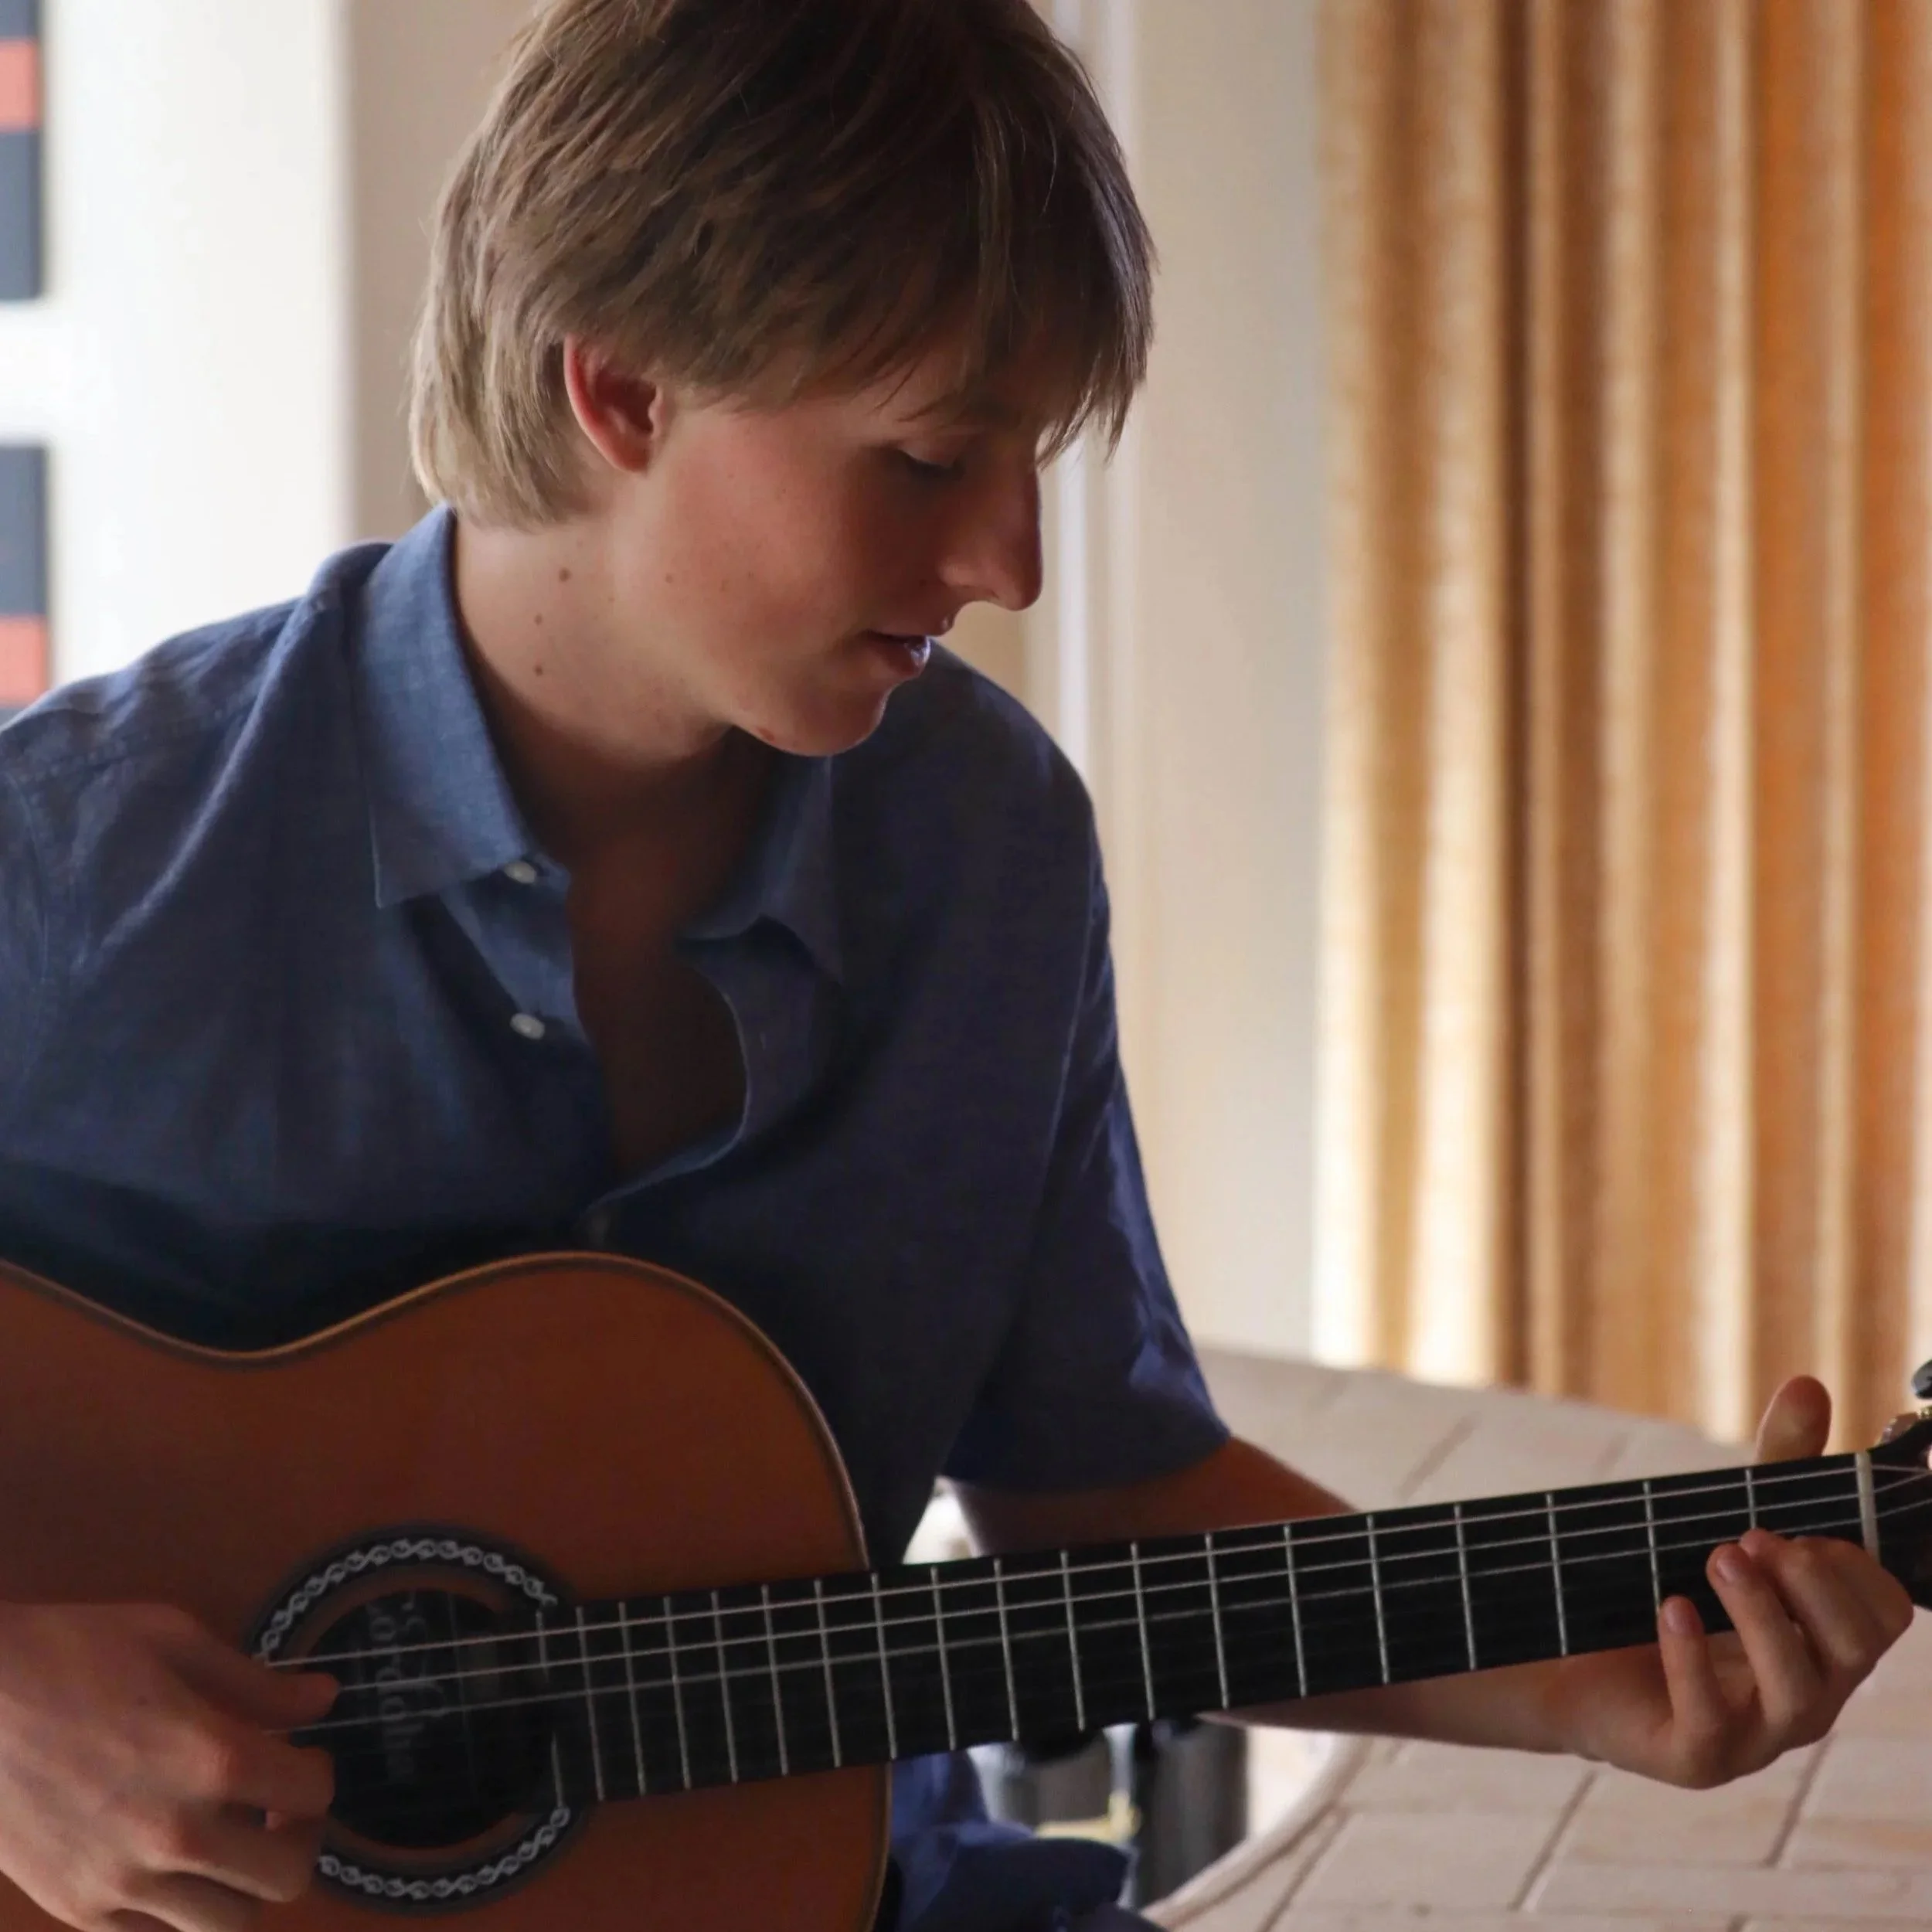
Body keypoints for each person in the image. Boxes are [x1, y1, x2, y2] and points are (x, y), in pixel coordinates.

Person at [0, 2, 1911, 1927]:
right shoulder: (84, 858)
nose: (1012, 560)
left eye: (1030, 459)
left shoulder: (981, 852)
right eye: (925, 457)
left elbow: (1094, 1490)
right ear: (625, 389)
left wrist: (1585, 1682)